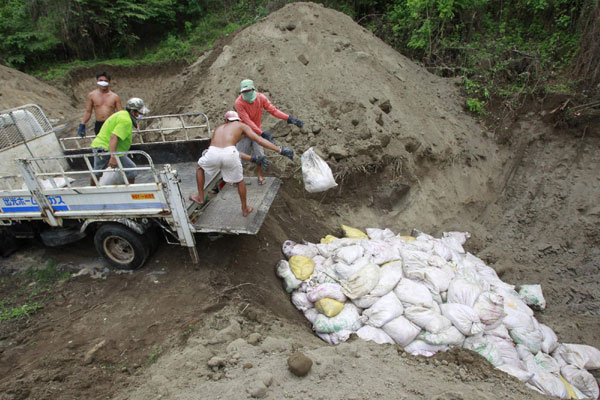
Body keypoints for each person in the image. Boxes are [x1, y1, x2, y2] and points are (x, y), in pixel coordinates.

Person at [190, 111, 294, 217]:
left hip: (213, 152)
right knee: (240, 181)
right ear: (238, 119)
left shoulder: (218, 128)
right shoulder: (242, 126)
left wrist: (252, 158)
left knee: (200, 167)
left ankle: (201, 197)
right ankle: (245, 209)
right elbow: (258, 140)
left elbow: (222, 151)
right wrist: (279, 149)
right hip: (230, 153)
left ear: (226, 120)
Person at [234, 79, 304, 185]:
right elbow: (247, 121)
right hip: (243, 132)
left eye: (248, 91)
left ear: (253, 89)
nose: (246, 93)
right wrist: (262, 133)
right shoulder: (239, 102)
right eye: (244, 92)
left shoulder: (261, 98)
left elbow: (273, 110)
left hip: (257, 130)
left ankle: (260, 176)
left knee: (260, 155)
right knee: (239, 155)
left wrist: (289, 118)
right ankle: (237, 178)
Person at [90, 98, 149, 185]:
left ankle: (92, 190)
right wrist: (113, 156)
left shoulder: (122, 114)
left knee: (98, 171)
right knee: (131, 170)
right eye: (139, 113)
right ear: (132, 112)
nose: (141, 115)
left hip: (103, 146)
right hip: (105, 148)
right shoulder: (126, 121)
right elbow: (114, 137)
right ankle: (131, 193)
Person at [78, 71, 123, 137]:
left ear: (109, 82)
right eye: (101, 80)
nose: (103, 82)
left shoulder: (115, 97)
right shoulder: (92, 95)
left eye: (105, 81)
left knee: (112, 144)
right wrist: (82, 123)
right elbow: (88, 112)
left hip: (111, 124)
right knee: (100, 145)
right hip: (99, 124)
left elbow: (120, 113)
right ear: (97, 81)